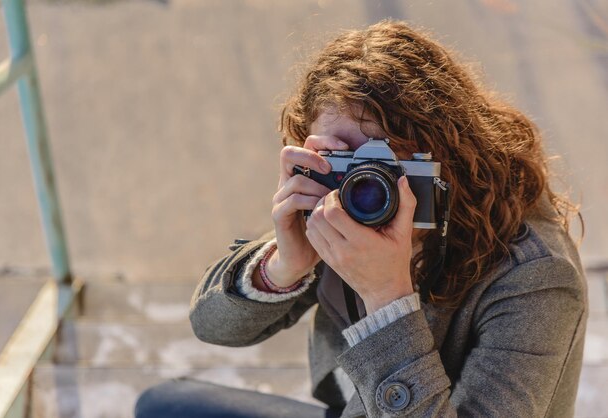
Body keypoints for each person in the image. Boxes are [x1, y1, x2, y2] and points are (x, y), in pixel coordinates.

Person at [135, 20, 587, 418]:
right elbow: (210, 327)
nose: (365, 187)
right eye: (341, 159)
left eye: (388, 163)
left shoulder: (535, 278)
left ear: (444, 158)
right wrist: (282, 267)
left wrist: (386, 298)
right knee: (161, 404)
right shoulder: (339, 204)